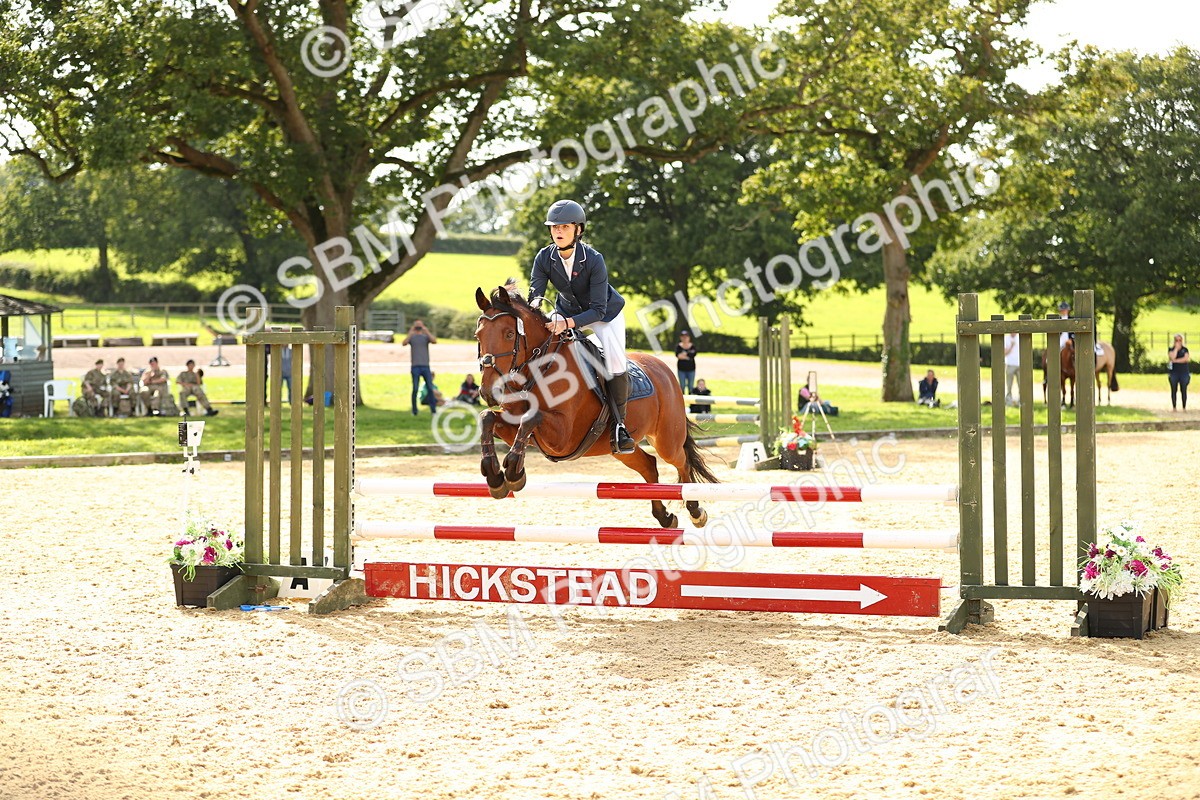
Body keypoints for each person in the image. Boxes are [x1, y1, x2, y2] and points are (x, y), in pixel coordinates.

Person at [529, 199, 635, 454]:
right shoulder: (544, 257)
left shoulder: (594, 260)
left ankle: (619, 426)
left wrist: (567, 323)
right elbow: (536, 296)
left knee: (615, 361)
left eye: (565, 226)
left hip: (604, 314)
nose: (558, 231)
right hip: (566, 310)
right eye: (554, 227)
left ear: (578, 229)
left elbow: (598, 310)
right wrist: (532, 310)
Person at [403, 320, 438, 415]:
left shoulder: (425, 337)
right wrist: (410, 333)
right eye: (417, 326)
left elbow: (434, 341)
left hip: (425, 366)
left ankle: (433, 410)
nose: (418, 328)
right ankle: (414, 410)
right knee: (415, 388)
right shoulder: (412, 337)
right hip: (415, 366)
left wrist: (426, 332)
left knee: (430, 387)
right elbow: (404, 343)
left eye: (420, 326)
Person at [1168, 334, 1190, 411]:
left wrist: (1176, 361)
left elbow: (1186, 359)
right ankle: (1174, 407)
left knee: (1183, 389)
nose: (1178, 342)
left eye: (1180, 340)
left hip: (1184, 372)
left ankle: (1184, 407)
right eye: (1176, 340)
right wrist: (1176, 349)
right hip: (1174, 373)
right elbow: (1172, 357)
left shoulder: (1185, 349)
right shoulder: (1171, 349)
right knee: (1174, 390)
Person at [675, 330, 697, 395]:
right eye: (683, 337)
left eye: (686, 337)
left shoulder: (692, 346)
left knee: (690, 386)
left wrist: (684, 354)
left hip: (691, 369)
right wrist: (688, 356)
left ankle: (691, 400)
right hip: (681, 369)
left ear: (689, 337)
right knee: (682, 386)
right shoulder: (678, 346)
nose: (684, 338)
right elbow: (678, 356)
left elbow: (693, 354)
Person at [1003, 332, 1020, 407]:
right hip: (1010, 364)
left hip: (1019, 364)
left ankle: (1020, 401)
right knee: (1009, 384)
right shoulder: (1006, 338)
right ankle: (1009, 401)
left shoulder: (1019, 337)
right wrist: (1011, 346)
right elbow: (1004, 352)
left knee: (1021, 384)